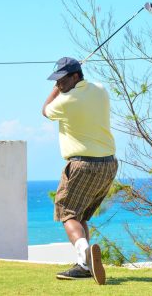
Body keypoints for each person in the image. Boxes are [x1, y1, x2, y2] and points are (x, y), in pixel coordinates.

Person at [42, 57, 118, 284]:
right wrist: (64, 83)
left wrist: (55, 90)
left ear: (76, 76)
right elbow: (90, 87)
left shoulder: (65, 101)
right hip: (109, 164)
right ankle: (84, 264)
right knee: (81, 214)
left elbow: (45, 110)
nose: (59, 84)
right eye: (57, 80)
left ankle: (84, 253)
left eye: (63, 80)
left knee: (67, 213)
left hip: (82, 165)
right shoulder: (101, 90)